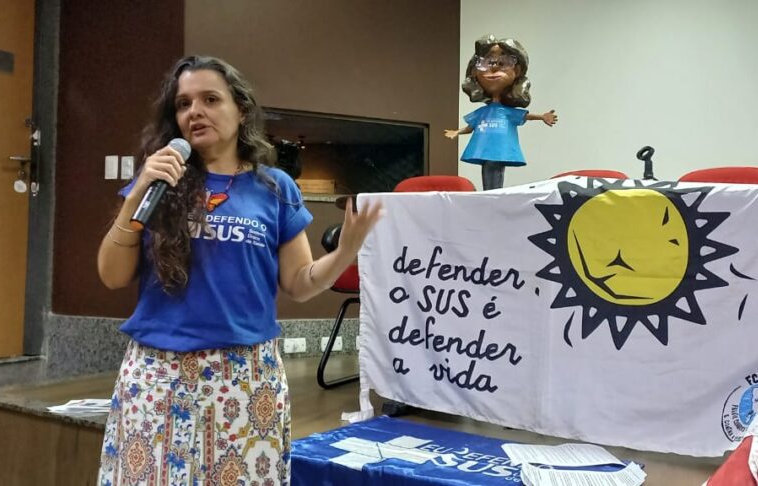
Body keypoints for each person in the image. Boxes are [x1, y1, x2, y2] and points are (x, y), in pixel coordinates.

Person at [95, 55, 381, 485]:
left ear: (241, 110)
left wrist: (345, 252)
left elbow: (299, 283)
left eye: (210, 99)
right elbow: (112, 275)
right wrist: (137, 195)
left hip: (245, 375)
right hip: (158, 372)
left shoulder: (274, 187)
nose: (195, 111)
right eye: (184, 103)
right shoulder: (158, 182)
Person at [445, 35, 558, 190]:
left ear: (517, 71)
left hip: (500, 149)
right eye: (487, 62)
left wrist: (543, 117)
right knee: (488, 171)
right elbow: (471, 127)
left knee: (495, 171)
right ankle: (490, 194)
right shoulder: (482, 112)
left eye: (503, 63)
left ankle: (494, 194)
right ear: (475, 72)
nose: (494, 68)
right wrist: (457, 132)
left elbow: (525, 116)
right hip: (484, 148)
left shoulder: (507, 112)